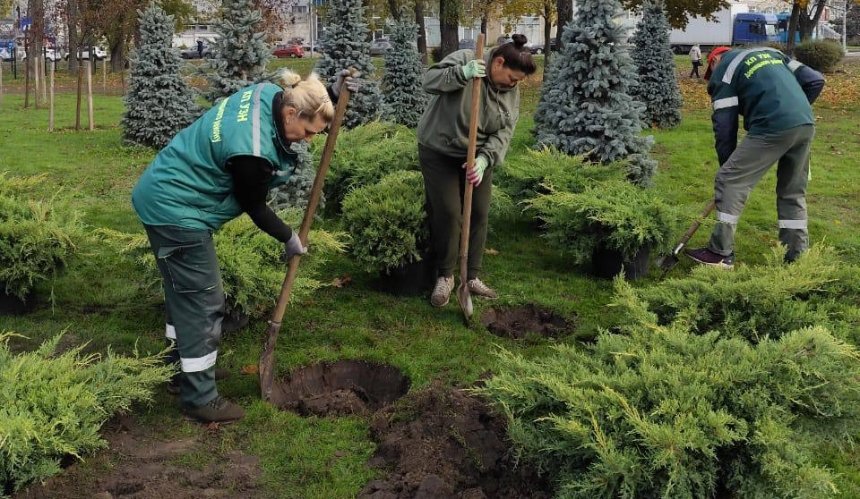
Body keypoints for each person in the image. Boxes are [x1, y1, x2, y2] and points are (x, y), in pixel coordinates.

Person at [131, 69, 358, 423]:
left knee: (184, 294)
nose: (309, 140)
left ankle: (182, 371)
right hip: (175, 210)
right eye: (309, 132)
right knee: (204, 300)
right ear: (290, 115)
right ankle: (200, 398)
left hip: (164, 189)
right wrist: (289, 237)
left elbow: (306, 103)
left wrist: (330, 92)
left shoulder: (271, 93)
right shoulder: (253, 154)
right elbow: (253, 204)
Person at [418, 34, 537, 307]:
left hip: (476, 156)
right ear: (498, 62)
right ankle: (446, 275)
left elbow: (506, 129)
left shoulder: (510, 91)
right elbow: (428, 81)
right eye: (513, 77)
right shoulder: (466, 61)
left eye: (518, 81)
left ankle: (471, 276)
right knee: (449, 212)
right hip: (439, 150)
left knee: (480, 211)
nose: (514, 84)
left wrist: (485, 159)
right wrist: (461, 74)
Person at [685, 46, 825, 269]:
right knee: (792, 191)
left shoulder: (724, 70)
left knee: (730, 180)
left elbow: (724, 127)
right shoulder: (771, 53)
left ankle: (720, 253)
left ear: (714, 61)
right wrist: (793, 112)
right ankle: (796, 256)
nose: (713, 79)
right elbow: (815, 81)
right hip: (805, 123)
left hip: (771, 126)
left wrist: (729, 169)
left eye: (711, 72)